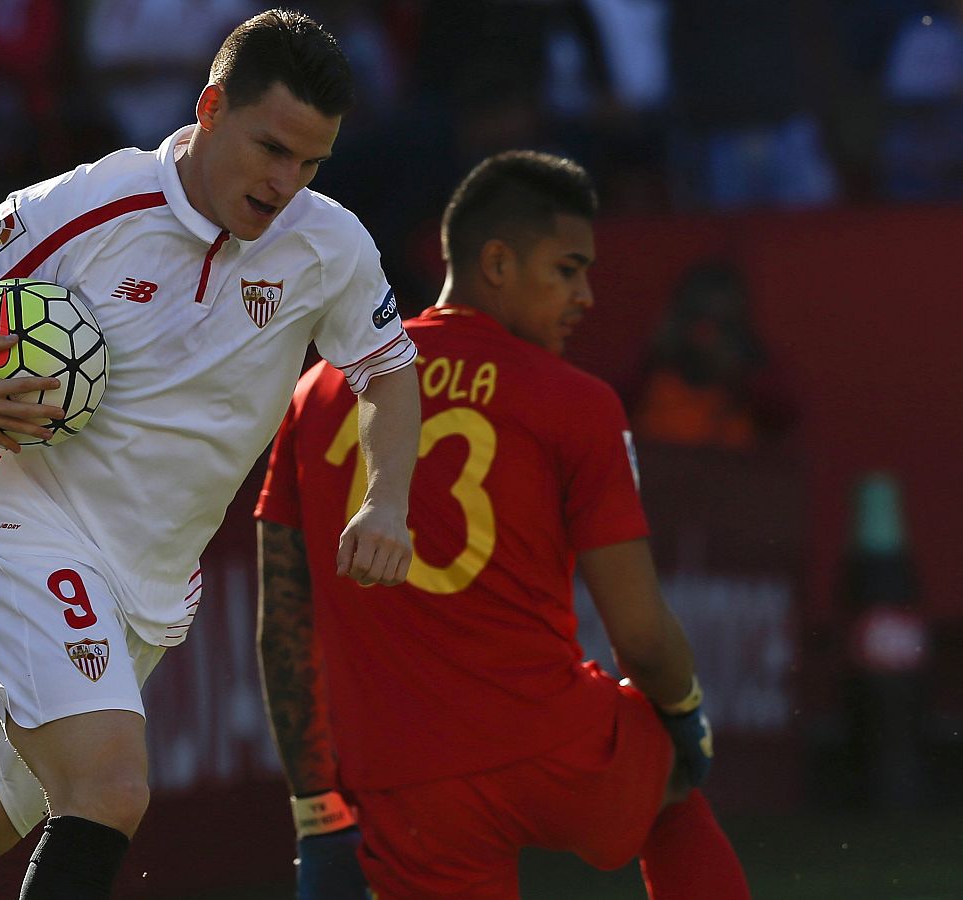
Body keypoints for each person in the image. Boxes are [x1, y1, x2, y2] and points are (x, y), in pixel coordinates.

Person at [0, 10, 420, 899]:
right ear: (209, 107)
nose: (286, 183)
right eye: (272, 149)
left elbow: (392, 374)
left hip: (152, 591)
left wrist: (386, 499)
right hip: (30, 530)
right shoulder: (87, 204)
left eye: (311, 163)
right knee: (112, 789)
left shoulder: (330, 243)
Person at [256, 150, 751, 899]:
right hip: (553, 743)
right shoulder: (576, 402)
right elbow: (642, 633)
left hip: (408, 785)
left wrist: (316, 814)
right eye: (567, 269)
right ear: (496, 262)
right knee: (672, 793)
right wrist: (682, 715)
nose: (586, 295)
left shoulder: (318, 393)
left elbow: (283, 630)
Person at [630, 261, 797, 451]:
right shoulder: (649, 376)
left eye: (720, 324)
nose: (706, 335)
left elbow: (783, 422)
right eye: (697, 318)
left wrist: (741, 373)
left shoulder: (759, 386)